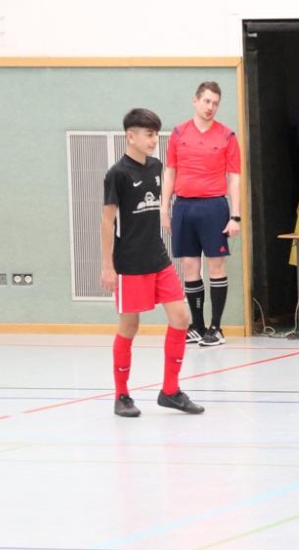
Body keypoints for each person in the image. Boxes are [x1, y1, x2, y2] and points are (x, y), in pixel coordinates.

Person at [101, 108, 205, 418]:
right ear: (130, 136)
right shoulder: (117, 174)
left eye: (156, 135)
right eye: (148, 135)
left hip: (158, 258)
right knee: (129, 326)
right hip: (129, 263)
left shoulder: (158, 168)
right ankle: (121, 395)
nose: (152, 141)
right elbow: (107, 222)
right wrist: (107, 266)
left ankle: (170, 391)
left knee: (181, 317)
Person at [161, 81, 242, 347]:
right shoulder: (178, 133)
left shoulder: (227, 136)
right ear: (195, 101)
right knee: (189, 266)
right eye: (207, 101)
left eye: (215, 103)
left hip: (214, 206)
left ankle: (216, 328)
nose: (210, 107)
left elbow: (234, 177)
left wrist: (235, 216)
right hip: (184, 206)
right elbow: (170, 172)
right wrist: (164, 209)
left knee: (216, 265)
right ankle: (197, 325)